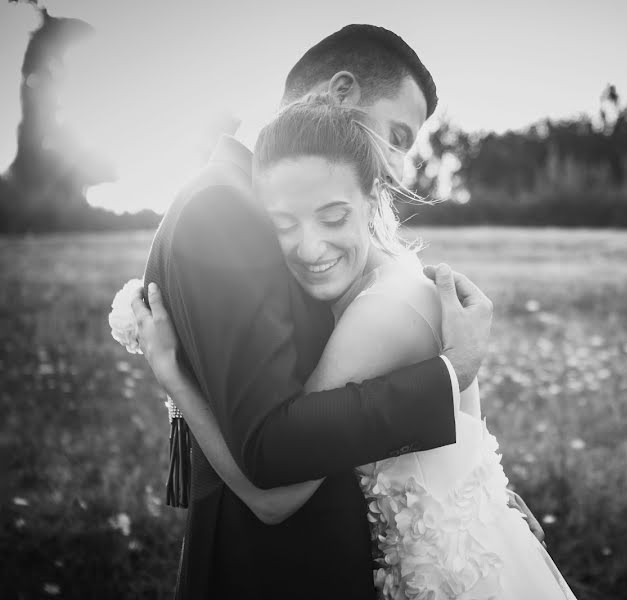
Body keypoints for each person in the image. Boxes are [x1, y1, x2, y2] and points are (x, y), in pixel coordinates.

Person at [134, 25, 542, 599]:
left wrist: (483, 482)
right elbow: (272, 454)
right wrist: (453, 376)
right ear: (340, 93)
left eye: (330, 217)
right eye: (397, 136)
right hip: (266, 568)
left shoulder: (381, 289)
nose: (399, 169)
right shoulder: (227, 209)